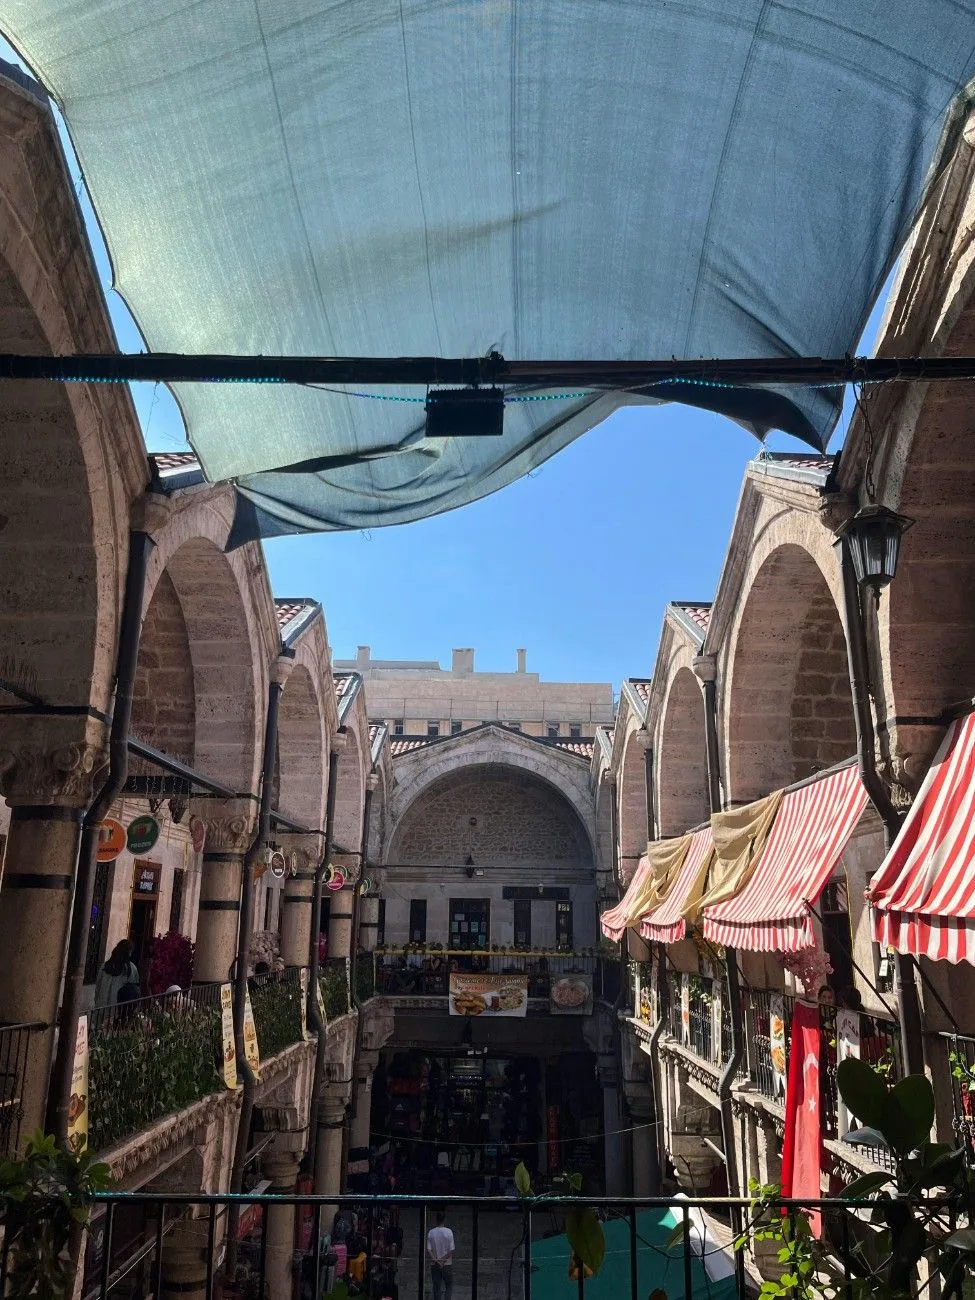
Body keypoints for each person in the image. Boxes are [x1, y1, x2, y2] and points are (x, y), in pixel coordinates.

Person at [94, 940, 140, 1008]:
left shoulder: (104, 966)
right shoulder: (131, 969)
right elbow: (134, 992)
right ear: (129, 952)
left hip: (101, 1006)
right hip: (118, 1009)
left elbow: (97, 988)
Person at [426, 1210, 454, 1300]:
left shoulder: (431, 1232)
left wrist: (436, 1260)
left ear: (436, 1220)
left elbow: (429, 1250)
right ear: (444, 1220)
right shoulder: (449, 1232)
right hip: (447, 1264)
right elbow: (451, 1250)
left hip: (435, 1265)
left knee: (436, 1288)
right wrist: (442, 1261)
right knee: (448, 1286)